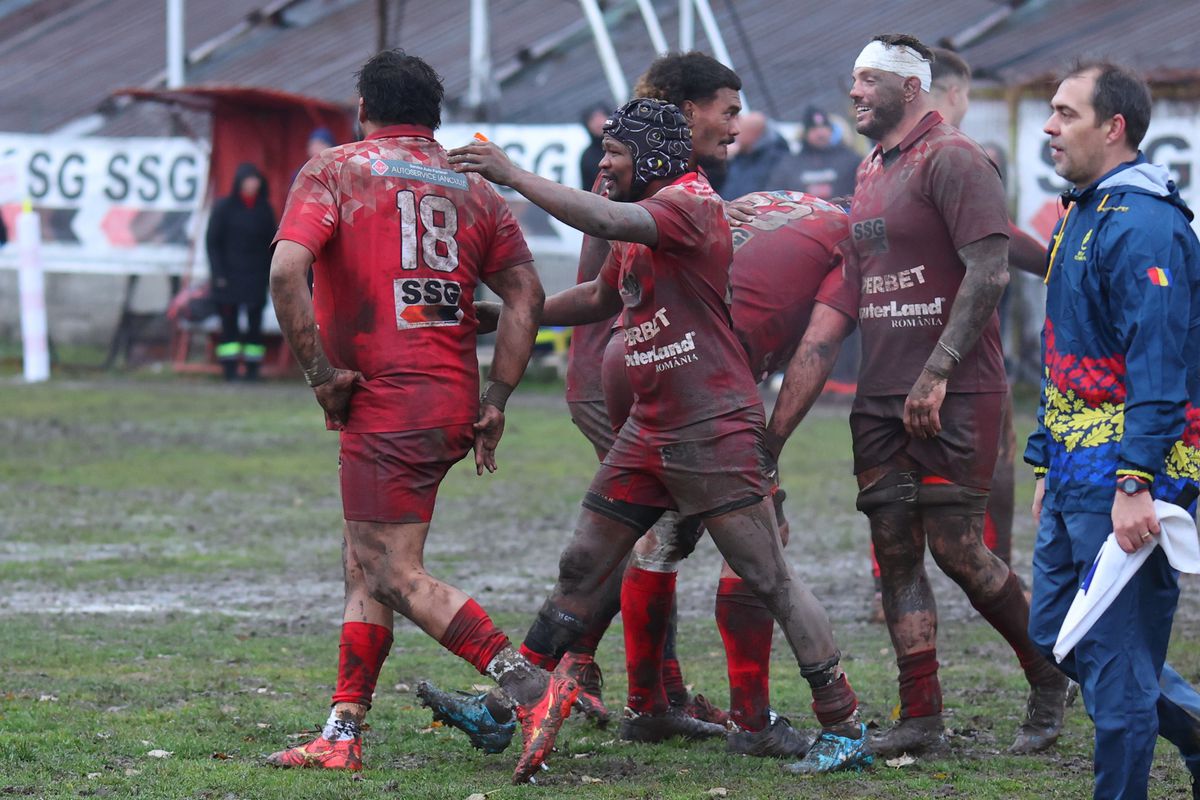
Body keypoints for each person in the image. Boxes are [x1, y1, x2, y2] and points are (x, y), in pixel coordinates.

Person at [447, 97, 872, 775]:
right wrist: (502, 315)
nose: (604, 165)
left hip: (711, 425)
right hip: (650, 426)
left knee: (770, 578)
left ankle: (844, 726)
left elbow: (606, 216)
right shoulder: (645, 220)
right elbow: (600, 299)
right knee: (581, 566)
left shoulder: (688, 202)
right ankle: (505, 707)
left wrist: (514, 175)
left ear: (653, 157)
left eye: (615, 155)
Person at [263, 50, 564, 785]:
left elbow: (283, 271)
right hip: (449, 400)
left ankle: (529, 686)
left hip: (383, 399)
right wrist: (497, 400)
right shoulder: (477, 188)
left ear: (364, 106)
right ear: (434, 115)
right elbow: (527, 296)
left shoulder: (338, 168)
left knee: (392, 572)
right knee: (363, 562)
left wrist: (319, 375)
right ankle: (343, 727)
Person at [768, 33, 1069, 759]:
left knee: (960, 550)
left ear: (911, 87)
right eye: (852, 80)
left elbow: (990, 270)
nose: (854, 92)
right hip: (879, 397)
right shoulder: (872, 170)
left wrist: (936, 372)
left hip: (955, 388)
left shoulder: (956, 157)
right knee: (894, 551)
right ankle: (921, 715)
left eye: (867, 80)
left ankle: (1048, 675)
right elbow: (842, 303)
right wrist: (774, 428)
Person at [1025, 60, 1200, 800]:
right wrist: (1044, 465)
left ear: (1113, 126)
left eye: (1066, 113)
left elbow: (1160, 367)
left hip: (1125, 474)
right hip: (1074, 468)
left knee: (1118, 673)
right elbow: (1066, 348)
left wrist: (1137, 482)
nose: (1049, 126)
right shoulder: (1085, 210)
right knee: (1055, 632)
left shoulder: (1148, 223)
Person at [205, 162, 276, 381]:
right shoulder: (224, 208)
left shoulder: (265, 210)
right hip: (229, 277)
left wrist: (270, 275)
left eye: (255, 180)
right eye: (248, 180)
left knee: (255, 324)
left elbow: (272, 244)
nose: (252, 184)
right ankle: (229, 369)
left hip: (256, 276)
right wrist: (218, 274)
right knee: (229, 324)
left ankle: (253, 369)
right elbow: (213, 243)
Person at [766, 106, 860, 200]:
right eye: (814, 129)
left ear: (831, 130)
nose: (820, 133)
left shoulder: (850, 159)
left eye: (824, 127)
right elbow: (775, 196)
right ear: (804, 134)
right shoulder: (788, 165)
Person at [718, 111, 790, 198]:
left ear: (754, 134)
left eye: (741, 132)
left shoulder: (774, 159)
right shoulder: (739, 155)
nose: (735, 136)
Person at [579, 103, 610, 190]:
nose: (598, 122)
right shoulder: (587, 157)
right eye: (592, 119)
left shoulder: (623, 147)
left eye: (601, 117)